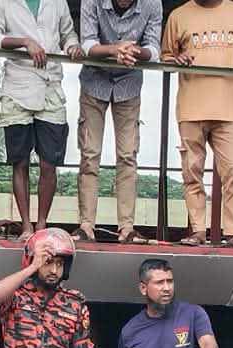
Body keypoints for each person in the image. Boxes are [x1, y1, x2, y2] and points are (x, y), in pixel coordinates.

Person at [0, 0, 82, 245]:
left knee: (49, 163)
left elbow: (68, 33)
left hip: (51, 87)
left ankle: (41, 225)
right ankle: (27, 226)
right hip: (17, 87)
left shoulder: (58, 2)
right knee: (20, 161)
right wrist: (25, 42)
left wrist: (72, 46)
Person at [163, 0, 233, 247]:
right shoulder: (178, 15)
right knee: (192, 172)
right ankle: (198, 231)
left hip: (228, 108)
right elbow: (166, 57)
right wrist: (177, 58)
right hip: (190, 108)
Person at [76, 0, 161, 244]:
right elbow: (87, 43)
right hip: (94, 82)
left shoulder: (153, 3)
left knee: (127, 156)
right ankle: (86, 226)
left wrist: (133, 51)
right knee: (90, 154)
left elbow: (154, 49)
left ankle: (127, 228)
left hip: (129, 84)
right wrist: (114, 50)